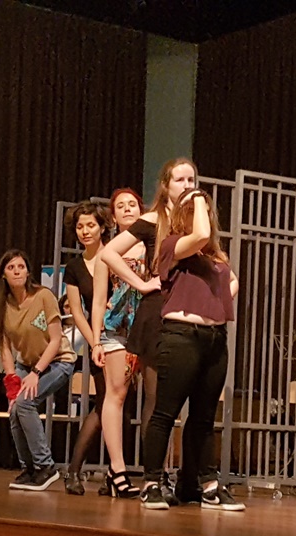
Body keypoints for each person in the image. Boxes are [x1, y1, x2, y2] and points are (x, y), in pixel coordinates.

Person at [139, 188, 243, 511]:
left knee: (203, 417)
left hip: (215, 339)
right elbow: (199, 235)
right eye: (198, 209)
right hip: (181, 336)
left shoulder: (215, 258)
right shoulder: (172, 246)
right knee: (165, 413)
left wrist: (216, 302)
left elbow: (233, 282)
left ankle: (205, 484)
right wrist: (196, 196)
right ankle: (151, 483)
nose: (205, 214)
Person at [100, 158, 195, 505]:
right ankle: (149, 477)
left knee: (172, 401)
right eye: (180, 179)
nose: (187, 185)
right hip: (152, 317)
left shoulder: (194, 222)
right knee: (151, 399)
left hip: (185, 317)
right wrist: (141, 284)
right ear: (165, 185)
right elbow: (109, 254)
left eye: (191, 179)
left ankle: (172, 475)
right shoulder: (153, 220)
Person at [0, 249, 76, 491]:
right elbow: (5, 349)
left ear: (27, 271)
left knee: (26, 403)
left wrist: (36, 373)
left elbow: (55, 340)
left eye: (21, 267)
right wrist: (12, 385)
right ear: (3, 275)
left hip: (58, 360)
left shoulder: (43, 296)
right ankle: (29, 469)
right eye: (11, 268)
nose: (17, 271)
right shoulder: (3, 306)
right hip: (25, 364)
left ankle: (46, 466)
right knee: (15, 409)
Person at [91, 188, 146, 498]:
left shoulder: (153, 245)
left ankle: (156, 473)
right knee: (116, 395)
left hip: (149, 327)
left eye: (132, 204)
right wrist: (96, 340)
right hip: (117, 329)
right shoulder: (107, 252)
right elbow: (99, 300)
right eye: (121, 206)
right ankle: (118, 469)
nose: (127, 209)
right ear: (113, 217)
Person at [61, 202, 111, 495]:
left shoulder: (116, 255)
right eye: (80, 227)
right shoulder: (74, 267)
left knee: (119, 407)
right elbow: (77, 312)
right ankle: (74, 471)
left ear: (102, 227)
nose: (85, 231)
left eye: (90, 225)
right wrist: (95, 342)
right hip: (97, 342)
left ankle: (113, 475)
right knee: (105, 405)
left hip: (125, 339)